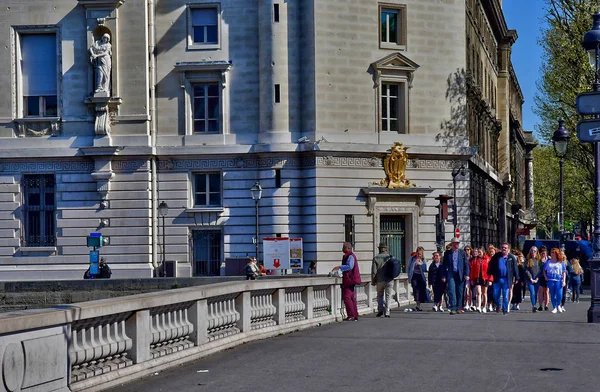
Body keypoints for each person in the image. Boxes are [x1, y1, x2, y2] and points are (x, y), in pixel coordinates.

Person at [332, 242, 361, 321]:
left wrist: (339, 267)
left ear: (348, 248)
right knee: (352, 298)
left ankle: (351, 315)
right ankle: (355, 315)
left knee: (347, 297)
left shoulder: (350, 256)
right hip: (351, 279)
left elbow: (350, 266)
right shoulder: (351, 256)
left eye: (344, 247)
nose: (342, 249)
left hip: (349, 279)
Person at [487, 243, 519, 315]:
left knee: (505, 295)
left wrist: (517, 277)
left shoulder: (511, 257)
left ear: (508, 249)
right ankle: (499, 304)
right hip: (497, 278)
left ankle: (505, 309)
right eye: (502, 247)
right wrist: (489, 274)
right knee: (495, 294)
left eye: (505, 248)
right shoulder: (496, 256)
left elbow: (515, 268)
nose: (504, 249)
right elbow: (490, 264)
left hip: (506, 279)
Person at [442, 237, 470, 315]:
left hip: (460, 274)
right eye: (455, 243)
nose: (457, 244)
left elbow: (466, 265)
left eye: (458, 243)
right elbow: (444, 265)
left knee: (460, 291)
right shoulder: (447, 253)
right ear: (452, 244)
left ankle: (459, 307)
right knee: (451, 291)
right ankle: (453, 308)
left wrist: (467, 274)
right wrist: (443, 275)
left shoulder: (462, 253)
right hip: (451, 273)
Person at [371, 243, 393, 317]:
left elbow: (374, 271)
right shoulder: (390, 257)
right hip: (389, 279)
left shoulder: (376, 258)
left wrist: (373, 281)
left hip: (380, 279)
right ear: (386, 249)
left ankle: (380, 309)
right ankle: (387, 312)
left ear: (379, 249)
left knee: (380, 295)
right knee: (388, 296)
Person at [544, 248, 567, 313]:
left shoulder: (561, 262)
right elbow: (544, 270)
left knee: (559, 293)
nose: (552, 254)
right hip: (550, 279)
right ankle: (554, 307)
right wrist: (545, 276)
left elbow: (564, 272)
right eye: (551, 252)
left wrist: (564, 280)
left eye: (554, 252)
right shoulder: (548, 262)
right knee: (552, 293)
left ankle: (559, 304)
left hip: (559, 279)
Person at [408, 246, 428, 311]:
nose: (419, 254)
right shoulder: (412, 258)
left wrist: (421, 265)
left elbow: (425, 269)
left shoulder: (423, 259)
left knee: (421, 290)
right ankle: (417, 304)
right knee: (415, 289)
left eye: (421, 253)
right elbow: (409, 267)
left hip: (421, 276)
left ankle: (420, 303)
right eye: (418, 253)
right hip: (414, 276)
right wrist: (409, 276)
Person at [469, 247, 489, 313]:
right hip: (477, 278)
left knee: (484, 293)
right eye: (478, 252)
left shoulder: (487, 259)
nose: (479, 253)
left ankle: (484, 306)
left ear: (483, 252)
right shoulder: (475, 260)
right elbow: (472, 270)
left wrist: (490, 279)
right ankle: (479, 306)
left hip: (485, 278)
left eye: (480, 252)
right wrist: (471, 279)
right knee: (478, 292)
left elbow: (490, 270)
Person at [525, 246, 541, 312]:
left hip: (537, 278)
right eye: (532, 250)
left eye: (534, 251)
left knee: (536, 293)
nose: (533, 252)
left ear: (537, 252)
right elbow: (526, 270)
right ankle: (533, 306)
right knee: (532, 292)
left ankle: (534, 304)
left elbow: (541, 270)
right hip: (530, 279)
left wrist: (537, 278)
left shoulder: (539, 260)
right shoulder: (528, 260)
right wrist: (530, 278)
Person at [537, 246, 550, 311]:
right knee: (540, 290)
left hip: (547, 277)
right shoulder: (538, 260)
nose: (543, 254)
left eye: (544, 252)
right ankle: (540, 305)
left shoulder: (549, 260)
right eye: (542, 253)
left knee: (546, 291)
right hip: (540, 277)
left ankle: (546, 305)